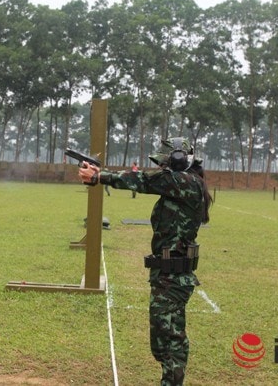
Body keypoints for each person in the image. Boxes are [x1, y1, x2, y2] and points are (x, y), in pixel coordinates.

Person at [77, 137, 212, 386]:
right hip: (166, 275)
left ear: (180, 160)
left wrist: (100, 176)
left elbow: (146, 180)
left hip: (174, 277)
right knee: (161, 342)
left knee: (171, 341)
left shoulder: (187, 183)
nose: (162, 168)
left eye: (165, 163)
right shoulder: (182, 184)